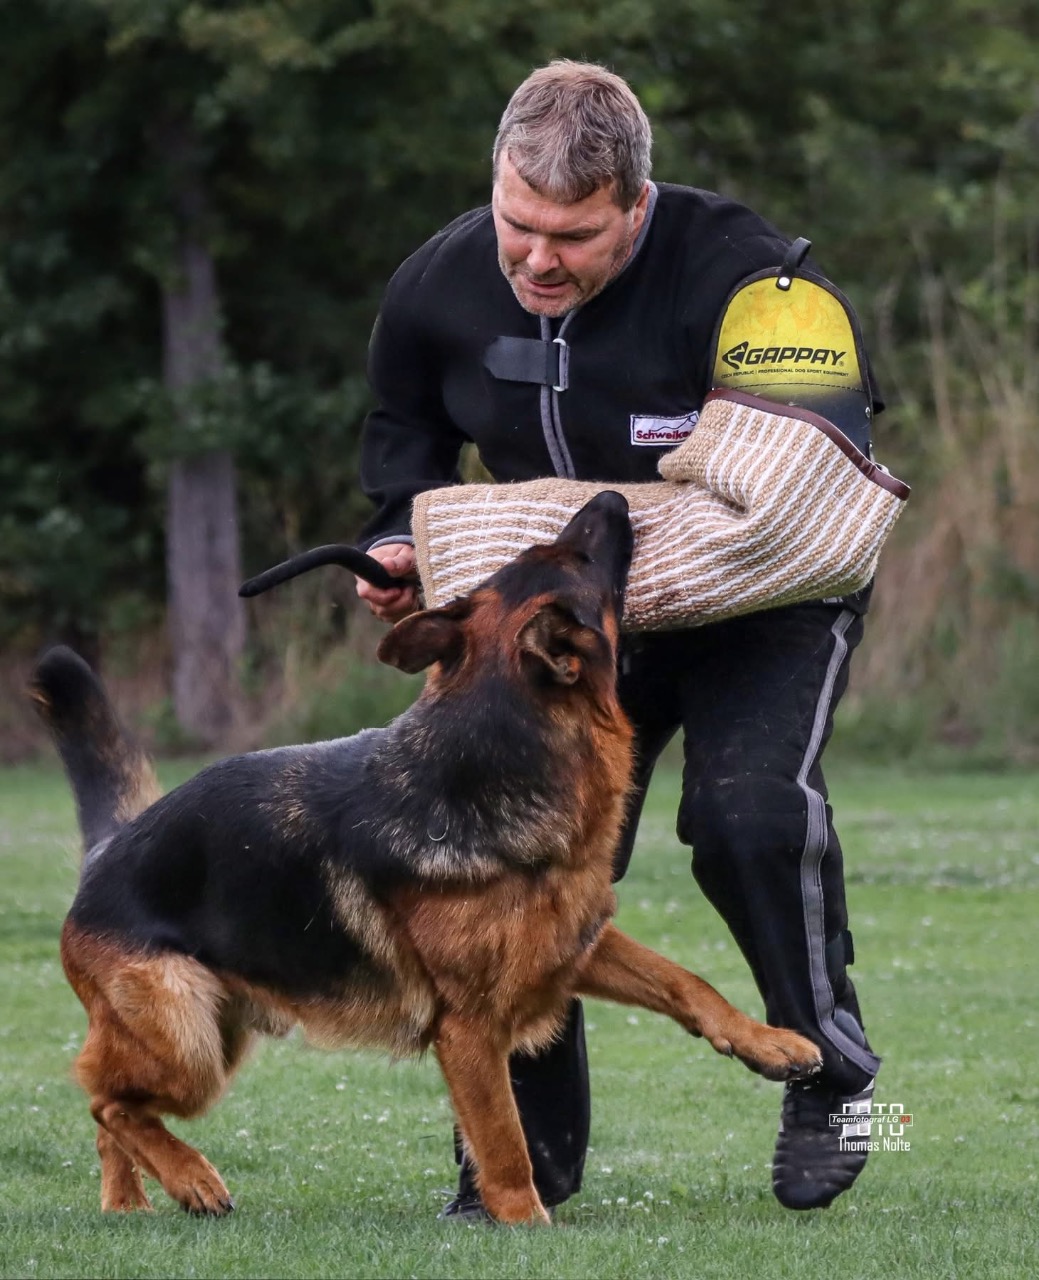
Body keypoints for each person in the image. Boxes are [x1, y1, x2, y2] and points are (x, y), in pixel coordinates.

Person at [354, 60, 882, 1216]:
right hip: (577, 624)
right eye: (518, 224)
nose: (537, 260)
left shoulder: (753, 282)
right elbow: (402, 440)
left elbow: (806, 489)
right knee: (510, 864)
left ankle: (833, 1076)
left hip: (760, 604)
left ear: (635, 207)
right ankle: (521, 1164)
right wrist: (400, 541)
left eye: (575, 236)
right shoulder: (438, 283)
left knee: (745, 816)